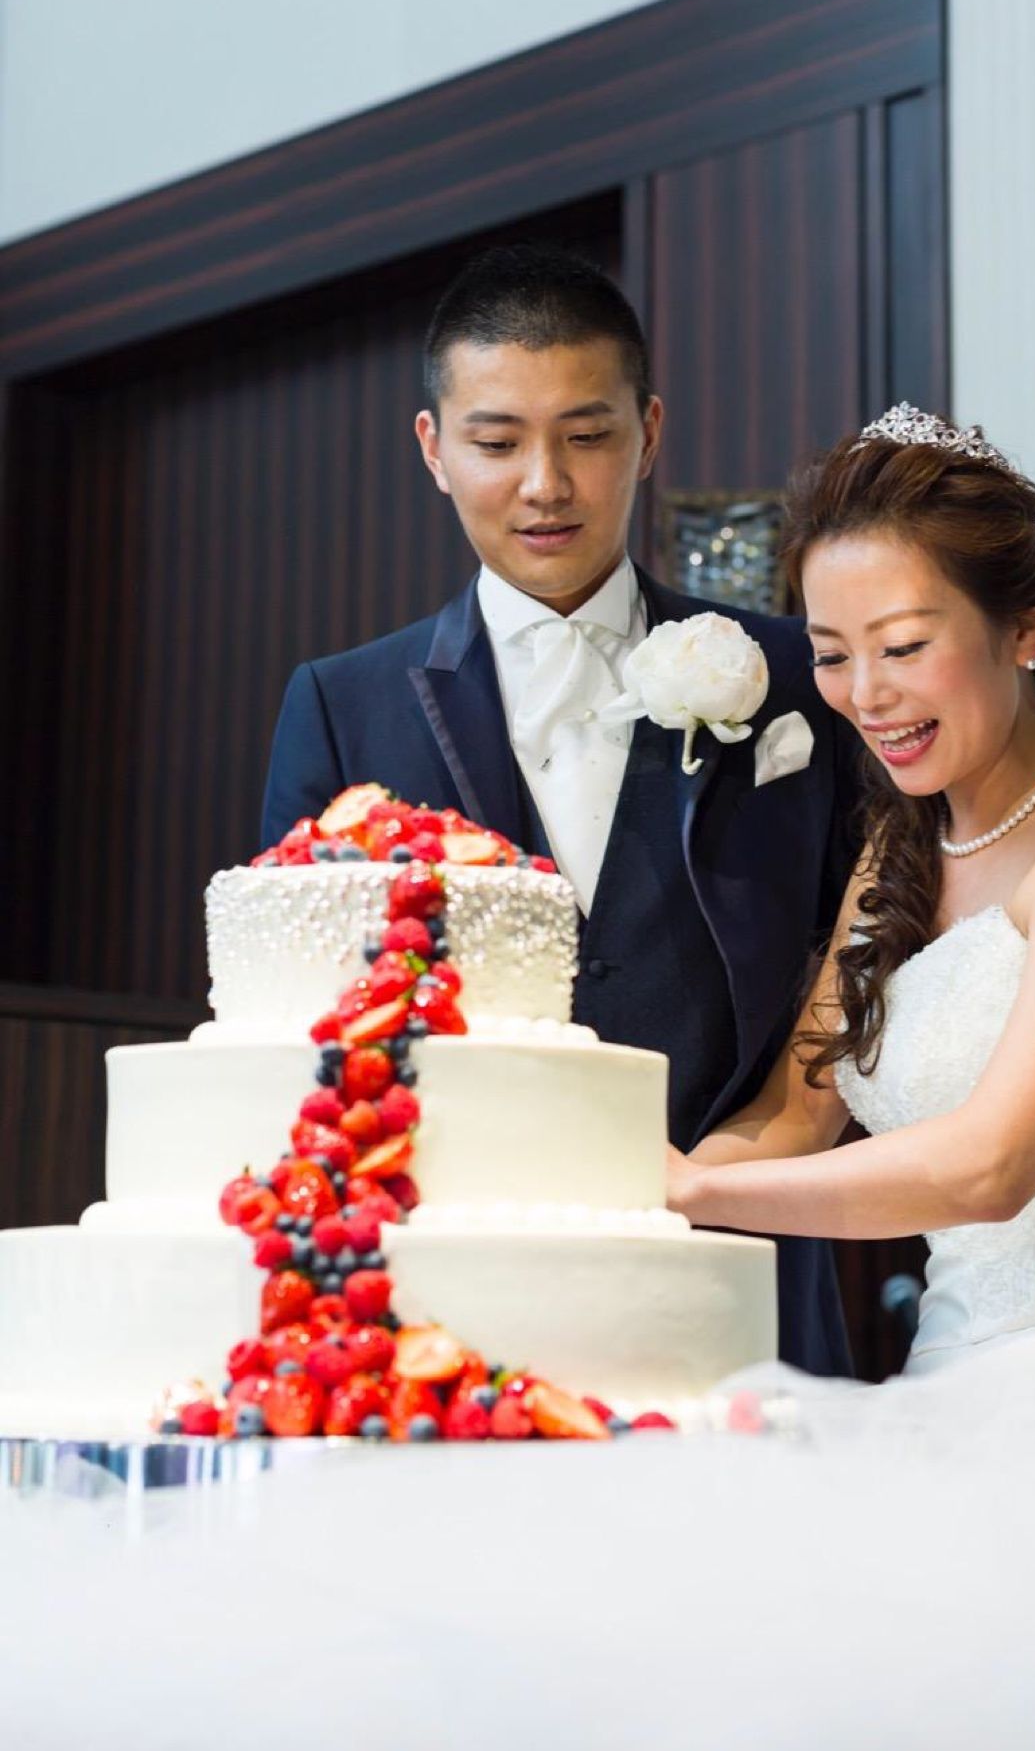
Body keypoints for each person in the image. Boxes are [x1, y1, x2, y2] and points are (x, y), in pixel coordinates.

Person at [262, 245, 864, 1376]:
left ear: (649, 431)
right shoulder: (340, 706)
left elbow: (867, 939)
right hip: (449, 1292)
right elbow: (304, 1018)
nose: (545, 483)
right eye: (497, 443)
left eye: (586, 436)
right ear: (433, 448)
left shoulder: (797, 675)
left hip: (742, 1271)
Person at [667, 403, 1035, 1420]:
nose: (865, 695)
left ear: (1025, 629)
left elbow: (993, 1167)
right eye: (831, 653)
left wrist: (688, 1190)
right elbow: (795, 1117)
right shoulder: (902, 848)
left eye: (903, 646)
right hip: (954, 1381)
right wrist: (618, 1193)